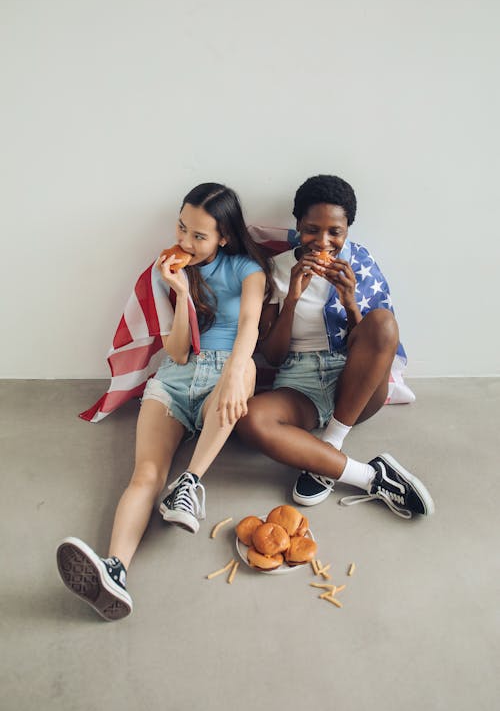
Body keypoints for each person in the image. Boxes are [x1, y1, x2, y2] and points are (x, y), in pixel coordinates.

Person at [57, 182, 272, 621]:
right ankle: (115, 570)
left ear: (224, 237)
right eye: (181, 227)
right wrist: (181, 291)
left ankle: (190, 483)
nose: (184, 241)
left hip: (226, 373)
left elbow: (250, 324)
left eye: (199, 235)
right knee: (145, 475)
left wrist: (235, 373)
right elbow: (175, 352)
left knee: (245, 369)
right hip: (175, 379)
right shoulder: (172, 269)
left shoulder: (247, 269)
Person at [237, 174, 434, 519]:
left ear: (347, 231)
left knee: (383, 321)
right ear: (297, 225)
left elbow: (374, 344)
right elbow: (272, 355)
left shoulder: (359, 264)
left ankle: (330, 445)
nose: (322, 242)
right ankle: (369, 476)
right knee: (249, 420)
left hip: (354, 387)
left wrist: (350, 301)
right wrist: (293, 298)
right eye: (312, 229)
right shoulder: (276, 270)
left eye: (335, 232)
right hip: (299, 387)